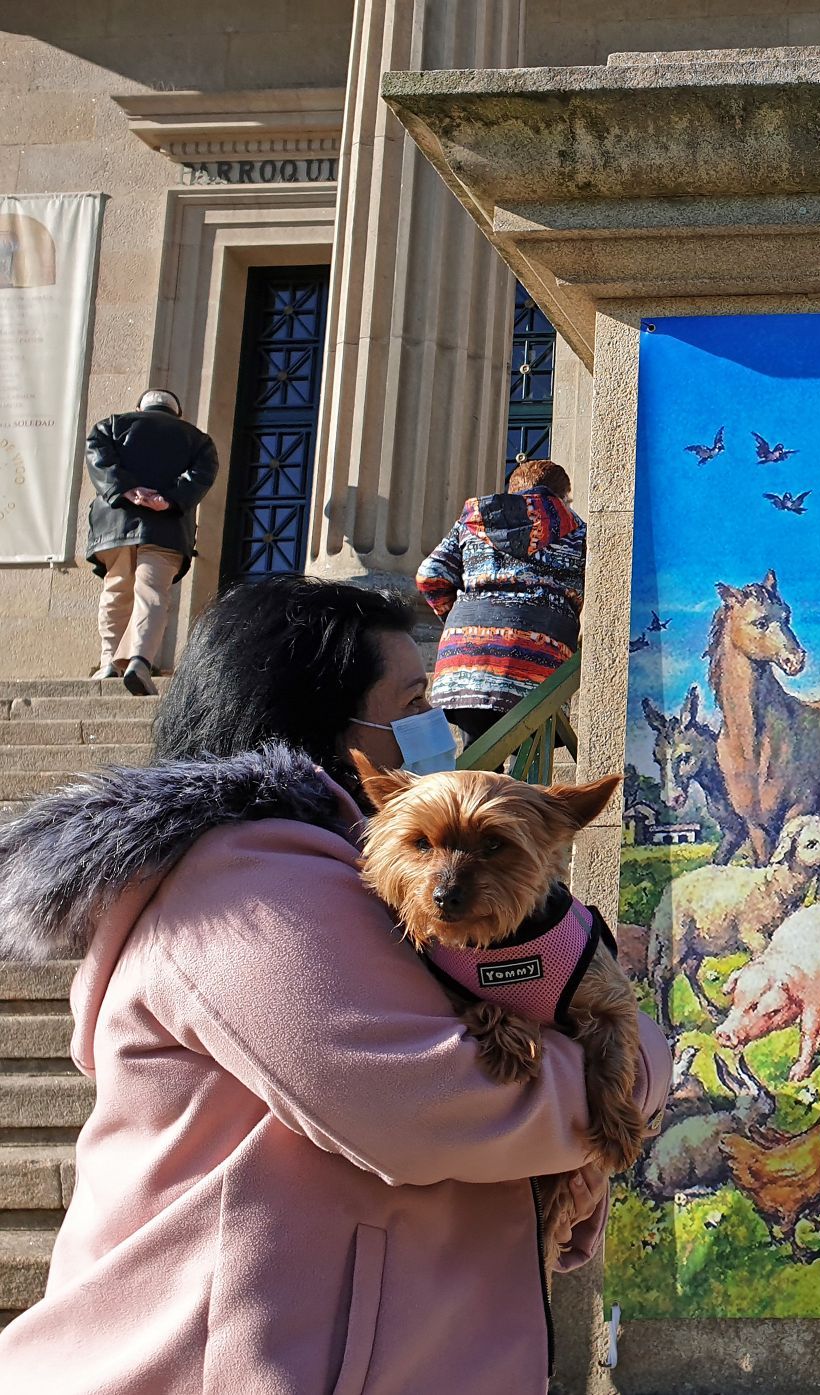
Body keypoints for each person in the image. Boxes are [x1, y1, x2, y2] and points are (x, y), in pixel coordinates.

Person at [0, 575, 670, 1394]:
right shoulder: (250, 881)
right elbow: (429, 1104)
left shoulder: (343, 869)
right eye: (413, 699)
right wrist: (639, 1058)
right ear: (321, 723)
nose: (435, 728)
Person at [417, 458, 586, 750]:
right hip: (538, 663)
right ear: (562, 497)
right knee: (531, 764)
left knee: (478, 759)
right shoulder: (578, 532)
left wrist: (460, 623)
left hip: (467, 660)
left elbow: (430, 576)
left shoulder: (472, 522)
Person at [82, 388, 219, 695]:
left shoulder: (110, 426)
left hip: (115, 524)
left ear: (140, 408)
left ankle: (108, 662)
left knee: (116, 589)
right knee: (151, 592)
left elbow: (98, 457)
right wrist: (168, 499)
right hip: (166, 529)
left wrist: (126, 490)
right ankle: (139, 661)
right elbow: (201, 474)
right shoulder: (198, 440)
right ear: (177, 413)